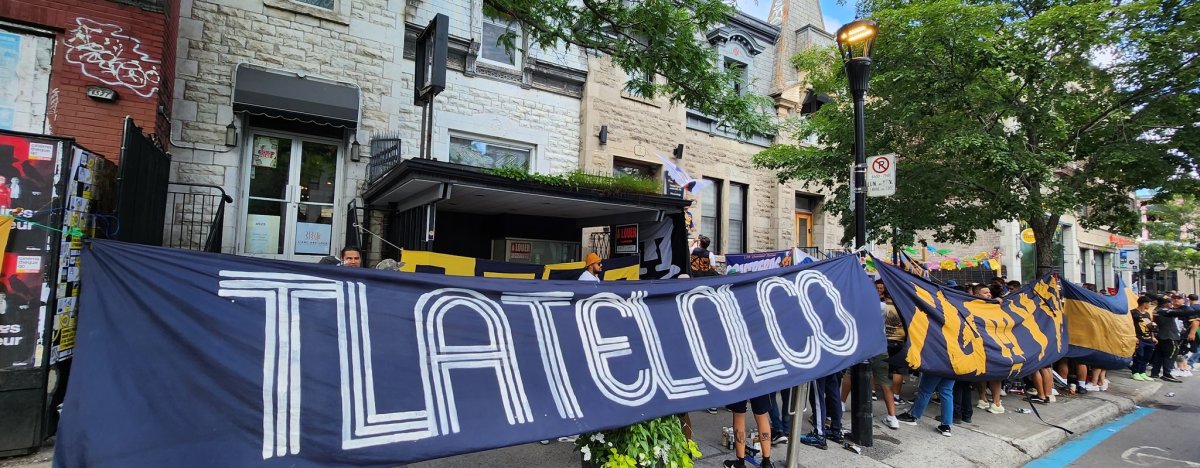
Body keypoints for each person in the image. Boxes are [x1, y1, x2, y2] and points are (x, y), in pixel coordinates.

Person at [969, 284, 1005, 414]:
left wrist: (998, 301)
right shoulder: (972, 305)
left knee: (995, 372)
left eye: (989, 292)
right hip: (981, 344)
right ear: (977, 295)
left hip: (994, 344)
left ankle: (996, 402)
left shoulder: (993, 305)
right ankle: (982, 398)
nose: (989, 295)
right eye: (985, 293)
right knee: (982, 372)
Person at [1150, 295, 1200, 382]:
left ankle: (1155, 373)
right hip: (1169, 336)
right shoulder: (1164, 311)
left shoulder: (1157, 310)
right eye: (1170, 302)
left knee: (1159, 356)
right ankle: (1167, 374)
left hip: (1162, 336)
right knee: (1171, 355)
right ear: (1165, 304)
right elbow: (1181, 313)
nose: (1171, 303)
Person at [897, 372, 956, 437]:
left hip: (937, 366)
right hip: (952, 367)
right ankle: (946, 425)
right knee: (947, 393)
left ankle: (912, 416)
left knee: (926, 390)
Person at [723, 395, 775, 468]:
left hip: (740, 386)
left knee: (739, 415)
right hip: (758, 384)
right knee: (762, 416)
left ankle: (740, 463)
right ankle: (766, 462)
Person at [799, 371, 845, 450]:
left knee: (817, 395)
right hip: (831, 363)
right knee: (833, 392)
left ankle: (819, 434)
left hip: (819, 365)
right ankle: (836, 430)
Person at [1130, 295, 1159, 381]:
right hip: (1139, 338)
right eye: (1149, 304)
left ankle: (1142, 372)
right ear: (1144, 303)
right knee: (1139, 356)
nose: (1149, 306)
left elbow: (1150, 326)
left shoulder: (1147, 314)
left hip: (1149, 339)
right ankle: (1135, 372)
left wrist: (1153, 337)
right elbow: (1129, 326)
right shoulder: (1133, 313)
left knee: (1147, 357)